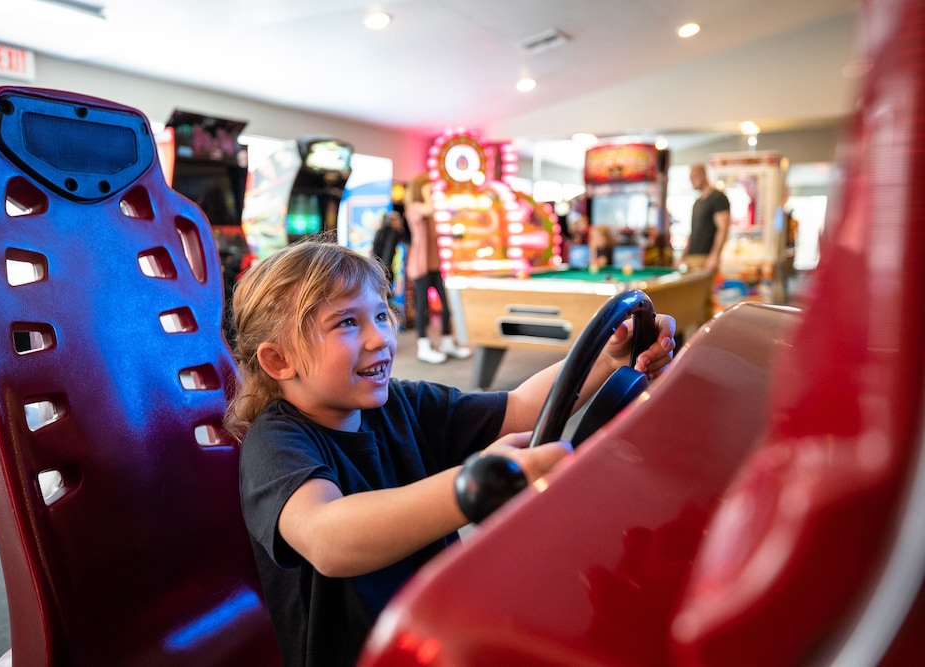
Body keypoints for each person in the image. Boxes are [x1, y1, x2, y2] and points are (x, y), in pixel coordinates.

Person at [225, 238, 677, 667]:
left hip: (436, 632)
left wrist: (609, 358)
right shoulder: (275, 442)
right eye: (346, 323)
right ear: (279, 361)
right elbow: (328, 536)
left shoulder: (402, 404)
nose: (380, 338)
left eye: (381, 315)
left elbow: (519, 409)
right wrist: (471, 487)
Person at [403, 173, 470, 364]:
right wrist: (426, 194)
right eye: (428, 187)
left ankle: (448, 342)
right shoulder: (415, 208)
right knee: (422, 307)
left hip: (434, 265)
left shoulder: (428, 210)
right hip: (420, 266)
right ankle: (423, 347)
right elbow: (428, 209)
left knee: (446, 307)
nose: (432, 191)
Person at [679, 163, 731, 318]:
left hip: (705, 257)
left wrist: (714, 255)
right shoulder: (697, 203)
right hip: (691, 258)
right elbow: (693, 232)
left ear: (703, 175)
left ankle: (704, 330)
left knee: (703, 301)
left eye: (693, 177)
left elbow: (723, 228)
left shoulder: (718, 198)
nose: (691, 181)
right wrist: (682, 256)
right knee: (690, 301)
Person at [370, 210, 407, 284]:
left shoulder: (380, 231)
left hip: (376, 266)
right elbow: (388, 251)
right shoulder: (393, 233)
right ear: (392, 222)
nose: (400, 223)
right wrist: (387, 270)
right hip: (384, 268)